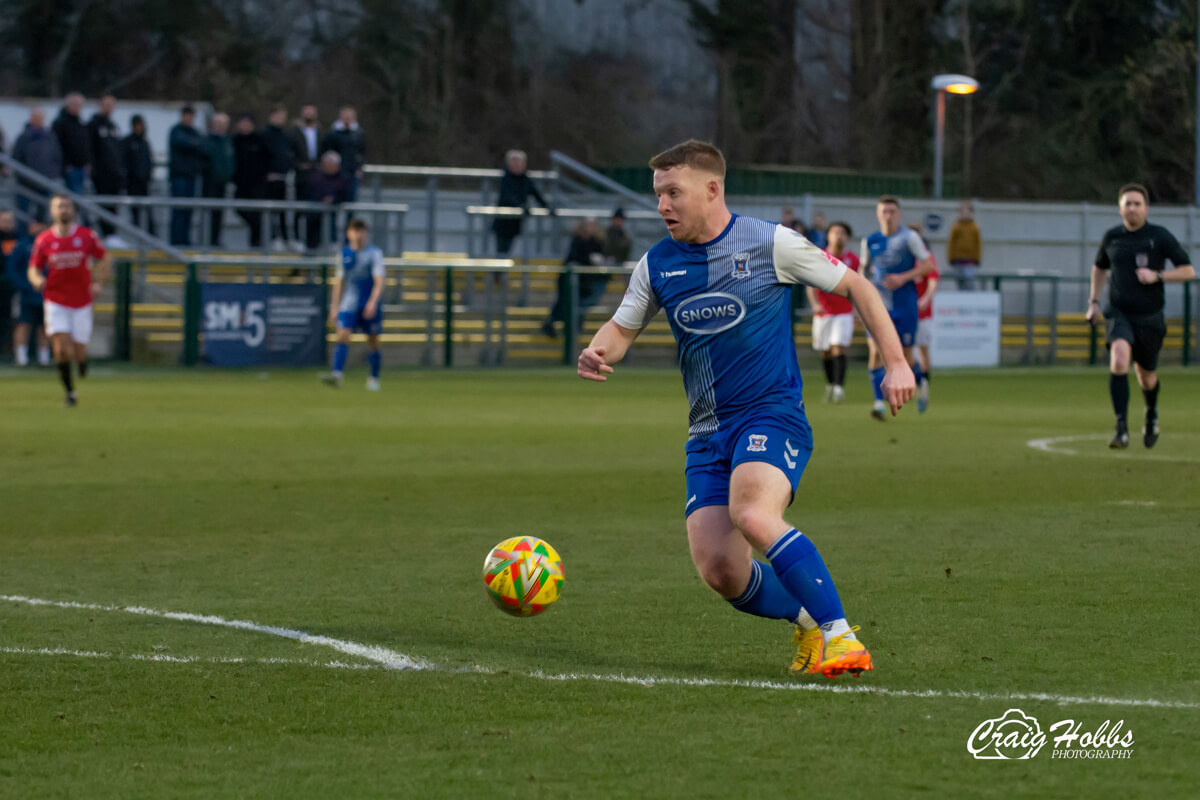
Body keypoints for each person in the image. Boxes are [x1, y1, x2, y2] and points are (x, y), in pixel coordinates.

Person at [577, 140, 915, 678]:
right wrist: (598, 350)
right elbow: (621, 328)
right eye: (658, 194)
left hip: (771, 414)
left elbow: (858, 287)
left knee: (754, 514)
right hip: (707, 432)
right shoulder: (657, 263)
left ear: (712, 189)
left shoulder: (770, 243)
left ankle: (841, 636)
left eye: (673, 193)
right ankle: (805, 616)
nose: (662, 205)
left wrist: (896, 363)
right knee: (720, 570)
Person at [1087, 183, 1194, 449]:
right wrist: (1094, 302)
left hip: (1150, 318)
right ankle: (1121, 428)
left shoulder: (1159, 236)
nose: (1132, 208)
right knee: (1119, 360)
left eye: (1137, 204)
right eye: (1127, 203)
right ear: (1120, 207)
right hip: (1119, 313)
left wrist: (1158, 275)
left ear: (1146, 208)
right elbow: (1099, 268)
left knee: (1147, 377)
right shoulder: (1111, 237)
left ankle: (1151, 414)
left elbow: (1188, 271)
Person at [26, 194, 110, 406]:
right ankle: (70, 392)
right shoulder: (44, 240)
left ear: (72, 210)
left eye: (66, 206)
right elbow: (34, 267)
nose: (63, 210)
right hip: (55, 299)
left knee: (79, 350)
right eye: (59, 206)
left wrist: (98, 282)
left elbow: (105, 257)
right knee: (61, 348)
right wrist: (36, 279)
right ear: (52, 211)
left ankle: (82, 365)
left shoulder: (86, 236)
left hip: (81, 300)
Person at [860, 195, 935, 420]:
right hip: (878, 307)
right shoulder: (870, 241)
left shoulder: (909, 238)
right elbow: (862, 271)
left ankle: (921, 383)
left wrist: (903, 277)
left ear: (899, 214)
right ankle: (878, 402)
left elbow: (928, 265)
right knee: (875, 351)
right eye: (884, 211)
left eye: (892, 211)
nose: (888, 216)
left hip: (904, 306)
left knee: (906, 357)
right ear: (878, 214)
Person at [322, 219, 385, 390]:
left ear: (366, 233)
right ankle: (336, 375)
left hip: (368, 304)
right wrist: (334, 307)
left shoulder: (374, 254)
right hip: (348, 304)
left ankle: (374, 378)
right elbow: (339, 282)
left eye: (361, 231)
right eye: (355, 231)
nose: (358, 235)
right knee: (342, 335)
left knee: (373, 341)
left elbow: (379, 281)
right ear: (349, 233)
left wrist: (373, 302)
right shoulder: (344, 255)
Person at [805, 221, 860, 404]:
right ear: (828, 236)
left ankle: (838, 388)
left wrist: (858, 309)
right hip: (823, 312)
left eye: (843, 233)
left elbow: (859, 287)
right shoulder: (819, 257)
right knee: (825, 351)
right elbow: (810, 284)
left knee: (838, 346)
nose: (839, 236)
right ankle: (830, 384)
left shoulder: (853, 259)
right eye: (835, 232)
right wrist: (814, 304)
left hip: (844, 311)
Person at [541, 217, 606, 338]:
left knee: (581, 304)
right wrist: (589, 259)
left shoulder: (597, 241)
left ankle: (573, 329)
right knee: (564, 302)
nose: (591, 228)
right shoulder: (577, 240)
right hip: (570, 279)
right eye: (588, 225)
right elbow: (574, 258)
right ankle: (553, 324)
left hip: (585, 280)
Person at [7, 215, 51, 366]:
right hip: (26, 293)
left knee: (44, 326)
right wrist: (24, 286)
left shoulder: (50, 244)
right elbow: (13, 269)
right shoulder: (23, 245)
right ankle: (21, 357)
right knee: (23, 323)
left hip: (47, 294)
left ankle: (44, 358)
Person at [492, 149, 551, 256]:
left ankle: (501, 271)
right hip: (504, 221)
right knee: (502, 250)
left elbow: (536, 194)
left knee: (509, 250)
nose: (517, 165)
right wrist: (520, 206)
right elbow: (507, 196)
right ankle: (498, 272)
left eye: (519, 162)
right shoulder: (506, 179)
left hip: (516, 222)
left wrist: (548, 207)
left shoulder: (525, 179)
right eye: (514, 162)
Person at [12, 108, 63, 222]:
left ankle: (40, 238)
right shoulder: (23, 137)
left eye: (40, 118)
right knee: (23, 214)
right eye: (35, 118)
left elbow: (57, 157)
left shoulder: (50, 136)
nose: (38, 120)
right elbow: (16, 158)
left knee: (43, 213)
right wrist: (24, 176)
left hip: (44, 181)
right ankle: (25, 238)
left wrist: (52, 174)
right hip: (25, 183)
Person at [168, 106, 207, 245]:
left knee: (188, 211)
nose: (188, 118)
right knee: (179, 210)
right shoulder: (176, 131)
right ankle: (176, 240)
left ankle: (185, 240)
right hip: (179, 176)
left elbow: (202, 145)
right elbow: (188, 143)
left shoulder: (195, 132)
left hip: (191, 176)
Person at [87, 95, 125, 239]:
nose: (108, 108)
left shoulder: (113, 126)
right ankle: (105, 234)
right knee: (103, 205)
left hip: (114, 175)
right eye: (106, 104)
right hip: (101, 175)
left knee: (114, 206)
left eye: (111, 105)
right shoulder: (94, 125)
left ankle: (112, 235)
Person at [910, 224, 940, 403]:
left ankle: (924, 385)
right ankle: (913, 383)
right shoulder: (902, 258)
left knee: (922, 348)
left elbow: (933, 280)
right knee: (904, 350)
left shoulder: (927, 258)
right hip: (904, 311)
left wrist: (926, 298)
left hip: (922, 312)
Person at [232, 113, 269, 248]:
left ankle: (256, 241)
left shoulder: (259, 140)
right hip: (241, 184)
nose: (245, 126)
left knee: (256, 213)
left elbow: (268, 159)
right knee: (240, 209)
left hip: (257, 184)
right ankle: (256, 237)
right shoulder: (234, 141)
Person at [262, 104, 294, 250]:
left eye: (283, 117)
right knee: (270, 210)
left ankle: (285, 238)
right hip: (269, 179)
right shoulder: (265, 134)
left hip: (283, 178)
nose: (281, 119)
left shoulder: (286, 135)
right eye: (279, 116)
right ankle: (272, 237)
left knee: (282, 210)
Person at [304, 151, 350, 250]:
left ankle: (333, 243)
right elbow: (308, 194)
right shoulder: (315, 178)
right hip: (315, 212)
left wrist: (333, 199)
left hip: (334, 212)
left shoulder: (343, 179)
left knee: (331, 218)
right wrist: (321, 199)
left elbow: (345, 196)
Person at [289, 105, 321, 243]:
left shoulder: (320, 132)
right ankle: (296, 238)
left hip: (317, 175)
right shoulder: (295, 133)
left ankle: (313, 240)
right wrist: (298, 165)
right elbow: (290, 153)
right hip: (301, 175)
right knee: (299, 208)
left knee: (316, 209)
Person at [202, 113, 234, 247]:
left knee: (219, 214)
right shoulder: (208, 141)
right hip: (210, 181)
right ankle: (206, 241)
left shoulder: (227, 141)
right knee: (208, 212)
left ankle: (215, 240)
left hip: (223, 181)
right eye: (218, 124)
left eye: (223, 124)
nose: (221, 127)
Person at [321, 106, 365, 202]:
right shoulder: (333, 134)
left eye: (350, 116)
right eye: (345, 116)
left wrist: (359, 167)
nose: (347, 118)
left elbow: (362, 152)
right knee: (334, 198)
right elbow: (328, 151)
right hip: (337, 172)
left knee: (351, 199)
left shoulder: (359, 134)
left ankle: (350, 217)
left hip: (352, 171)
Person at [121, 115, 155, 235]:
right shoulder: (127, 142)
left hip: (144, 184)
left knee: (149, 213)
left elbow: (149, 162)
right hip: (132, 184)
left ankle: (152, 237)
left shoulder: (145, 143)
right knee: (135, 213)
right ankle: (136, 237)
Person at [52, 93, 89, 194]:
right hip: (70, 168)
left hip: (81, 167)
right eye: (76, 104)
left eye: (80, 105)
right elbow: (57, 146)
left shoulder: (81, 123)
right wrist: (66, 164)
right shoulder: (60, 123)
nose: (78, 107)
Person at [947, 201, 981, 289]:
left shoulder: (974, 227)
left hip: (970, 262)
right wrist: (951, 258)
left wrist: (977, 259)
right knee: (959, 285)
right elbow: (951, 244)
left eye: (967, 212)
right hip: (958, 261)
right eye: (962, 212)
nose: (965, 214)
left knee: (969, 284)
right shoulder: (956, 227)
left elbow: (978, 244)